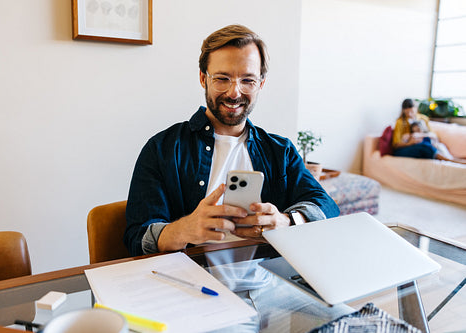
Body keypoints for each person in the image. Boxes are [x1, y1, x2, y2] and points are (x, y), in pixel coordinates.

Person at [123, 24, 350, 332]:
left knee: (352, 319)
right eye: (222, 78)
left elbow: (327, 207)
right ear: (203, 78)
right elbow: (137, 238)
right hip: (199, 295)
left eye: (247, 80)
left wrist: (285, 222)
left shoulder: (279, 150)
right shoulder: (163, 149)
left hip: (274, 285)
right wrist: (185, 229)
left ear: (261, 84)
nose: (234, 92)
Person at [392, 98, 464, 163]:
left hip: (422, 143)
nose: (410, 114)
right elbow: (396, 144)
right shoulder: (400, 122)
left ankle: (451, 158)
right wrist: (410, 143)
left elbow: (433, 134)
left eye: (412, 111)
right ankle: (451, 161)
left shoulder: (423, 119)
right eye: (407, 113)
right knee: (425, 147)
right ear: (403, 111)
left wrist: (425, 136)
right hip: (405, 147)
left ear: (416, 109)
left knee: (432, 143)